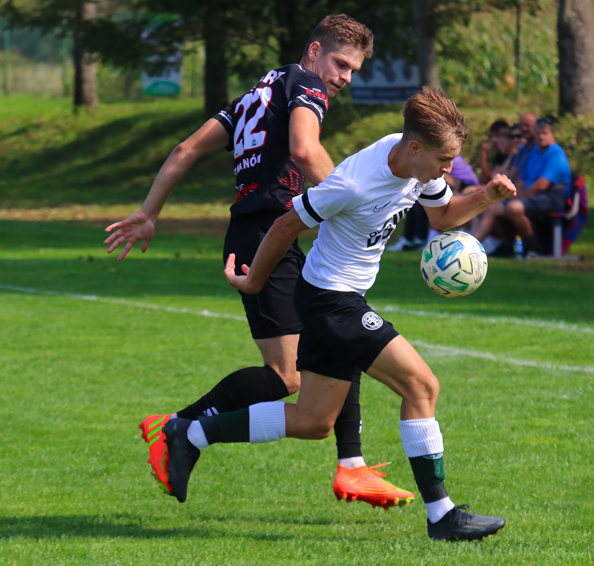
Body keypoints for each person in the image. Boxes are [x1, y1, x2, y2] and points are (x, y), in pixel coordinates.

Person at [162, 87, 515, 541]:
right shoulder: (353, 184)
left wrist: (486, 195)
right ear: (414, 147)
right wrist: (253, 282)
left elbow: (445, 217)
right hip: (332, 301)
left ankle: (191, 434)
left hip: (335, 298)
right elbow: (287, 223)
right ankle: (441, 515)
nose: (449, 168)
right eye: (445, 159)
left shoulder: (417, 166)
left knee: (313, 421)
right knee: (422, 384)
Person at [104, 15, 414, 508]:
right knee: (290, 374)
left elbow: (185, 149)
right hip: (267, 232)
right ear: (314, 52)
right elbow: (304, 149)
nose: (344, 77)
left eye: (354, 70)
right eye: (340, 63)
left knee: (338, 325)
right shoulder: (305, 84)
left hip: (263, 231)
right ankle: (180, 424)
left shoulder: (256, 94)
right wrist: (352, 203)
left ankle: (352, 466)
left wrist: (148, 213)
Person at [474, 116, 571, 255]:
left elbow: (541, 185)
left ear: (552, 134)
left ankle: (533, 248)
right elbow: (522, 180)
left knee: (514, 207)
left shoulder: (556, 154)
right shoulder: (535, 153)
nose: (541, 137)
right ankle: (501, 246)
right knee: (494, 207)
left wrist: (518, 199)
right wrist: (512, 196)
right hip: (533, 196)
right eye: (538, 133)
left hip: (552, 197)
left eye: (544, 133)